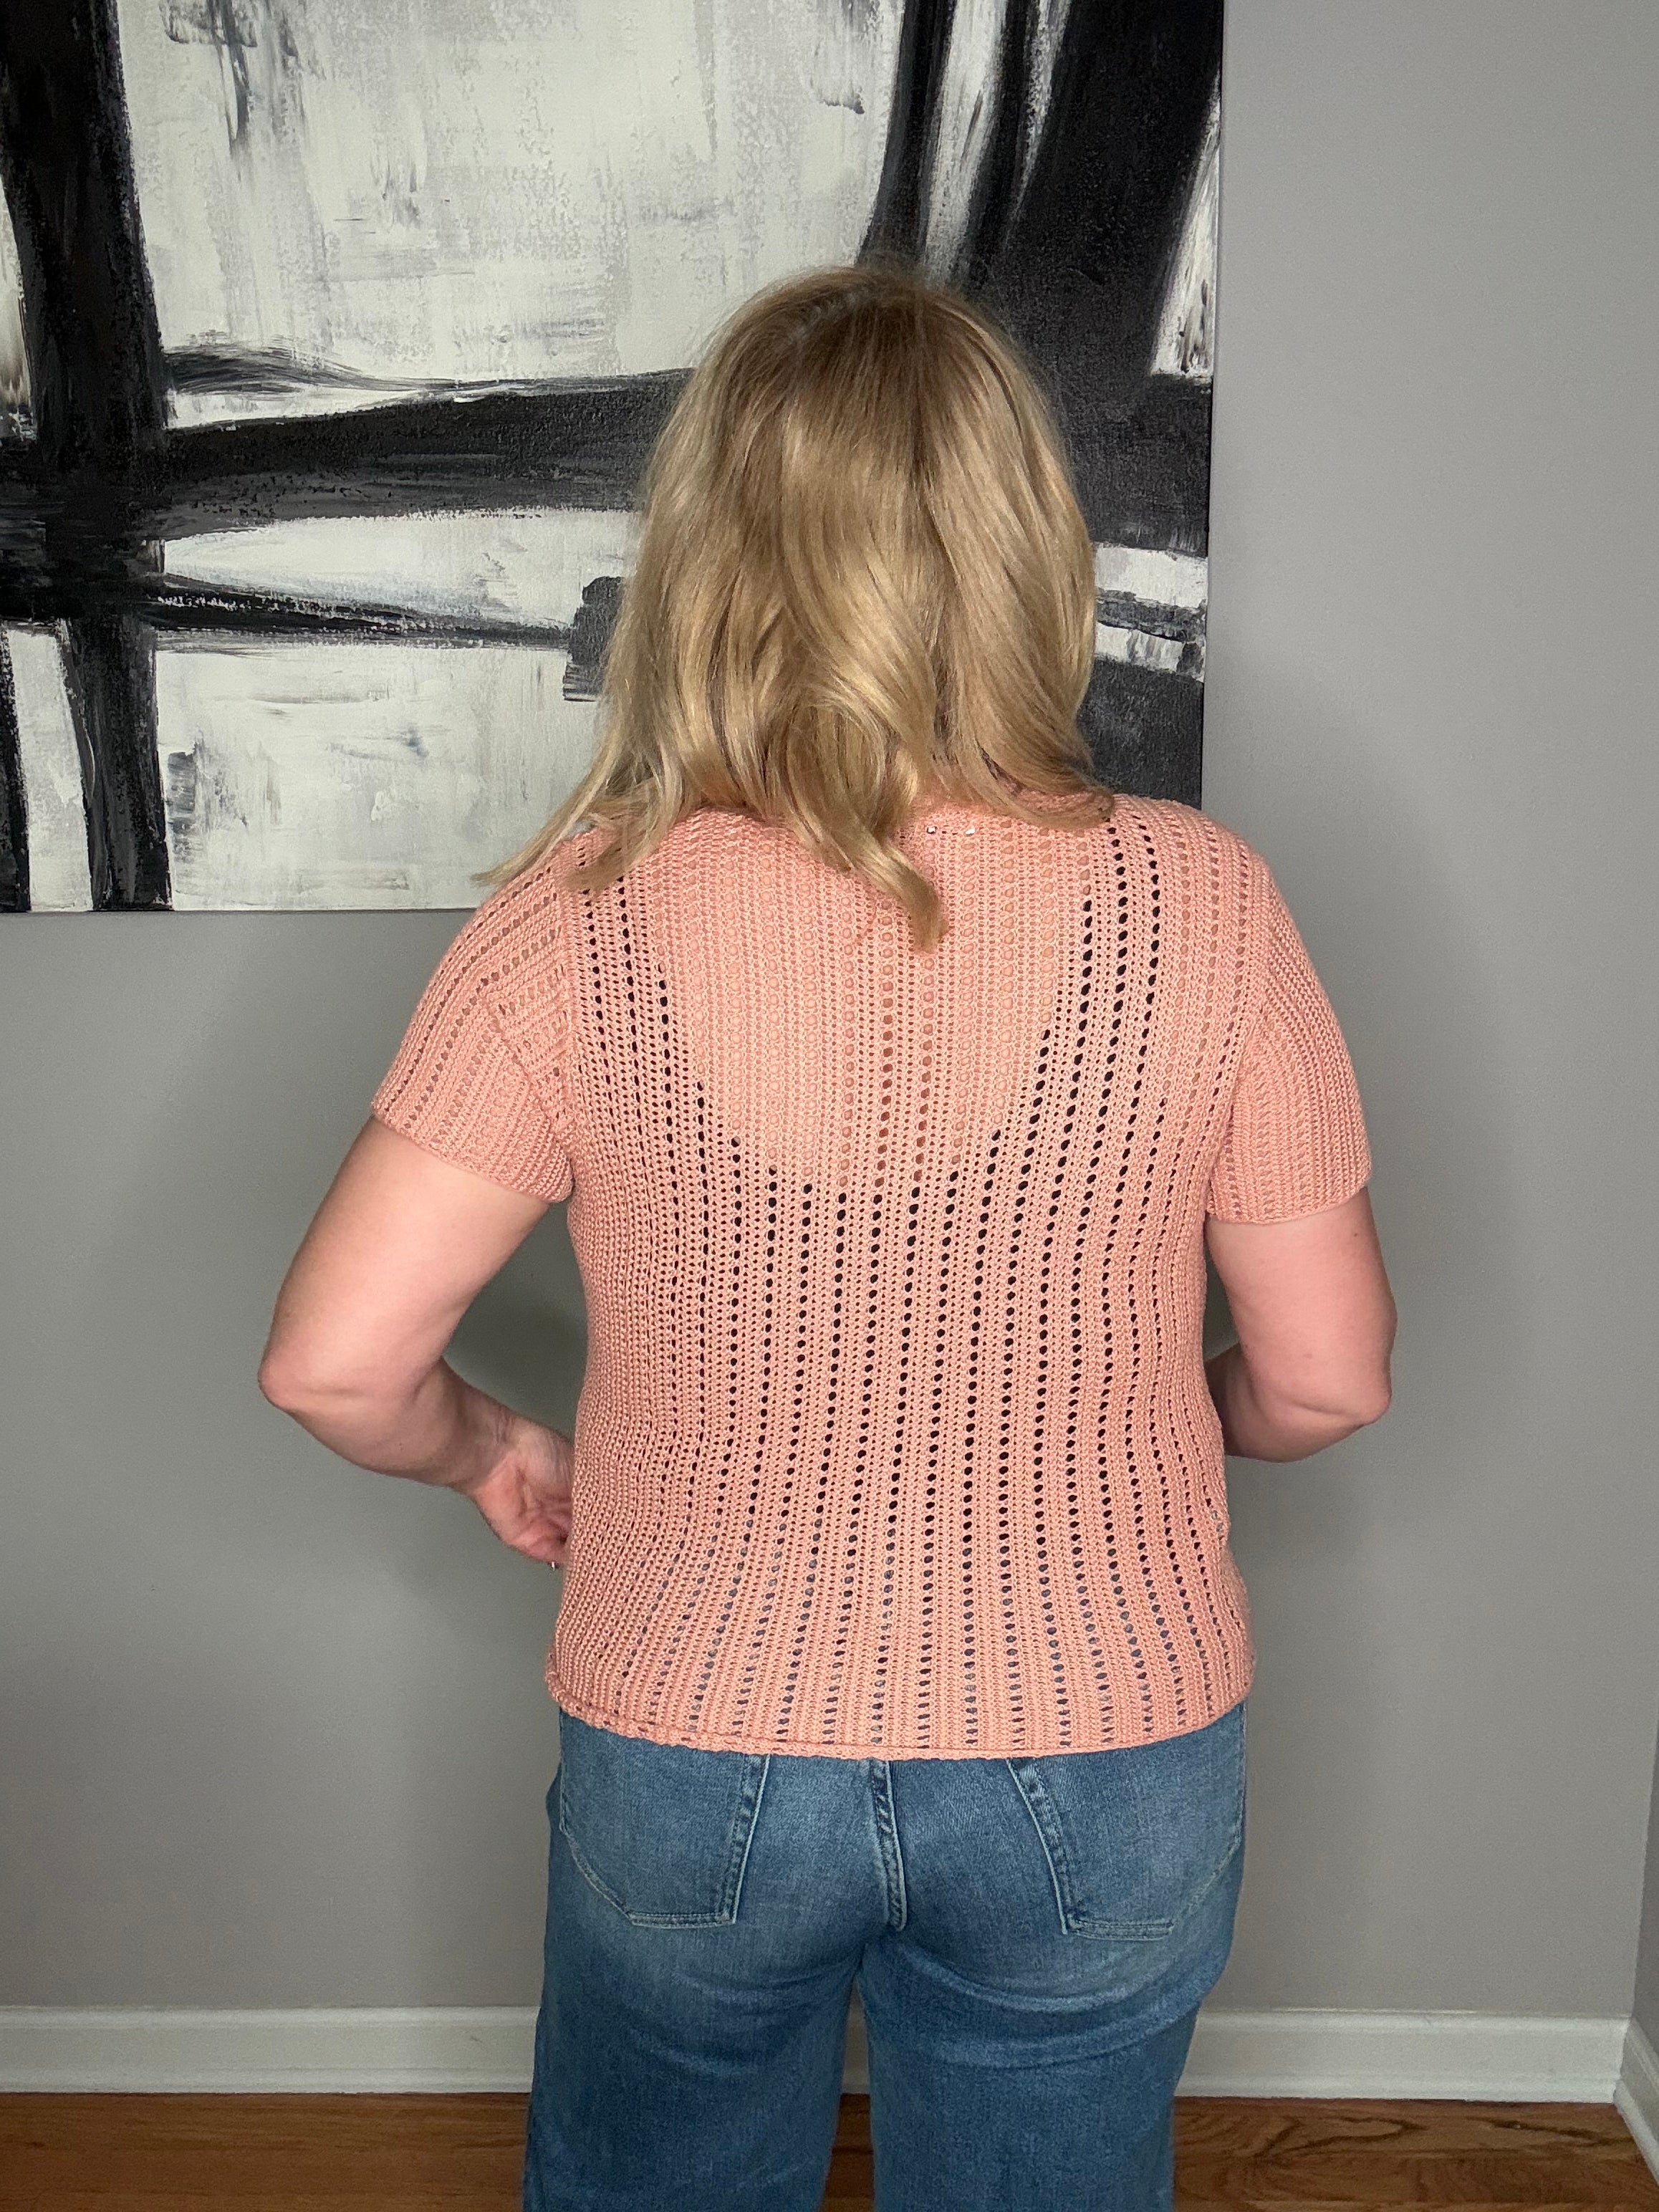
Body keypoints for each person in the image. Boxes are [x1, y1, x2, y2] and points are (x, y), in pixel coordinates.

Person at [259, 264, 1395, 2212]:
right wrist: (1137, 1426)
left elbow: (332, 1367)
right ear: (1023, 548)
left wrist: (491, 1450)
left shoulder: (575, 919)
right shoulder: (1203, 906)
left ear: (707, 558)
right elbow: (1328, 1382)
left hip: (694, 1731)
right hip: (1105, 1738)